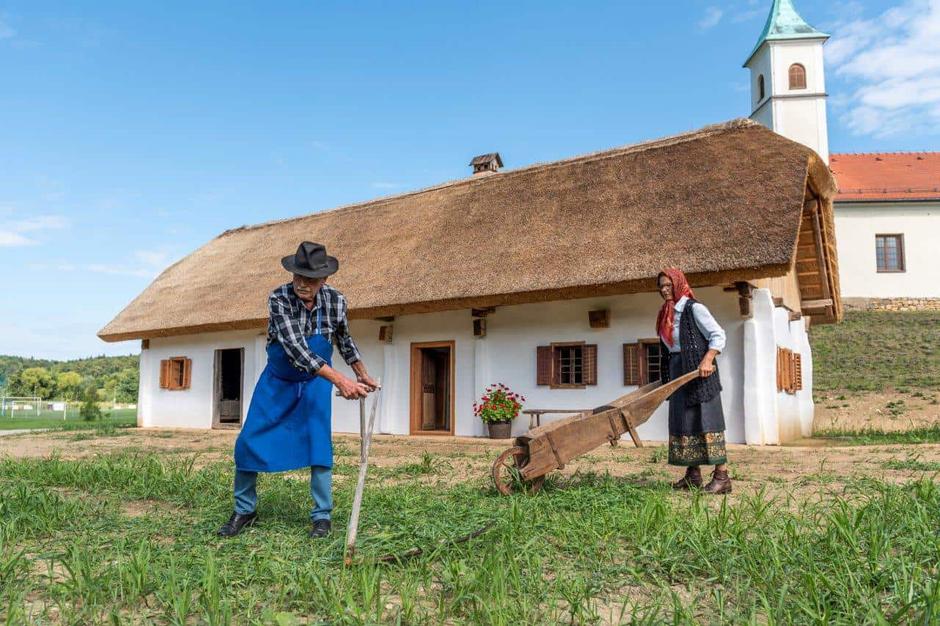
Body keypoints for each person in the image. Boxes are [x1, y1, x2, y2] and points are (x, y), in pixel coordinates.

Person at [218, 241, 379, 539]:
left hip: (316, 382)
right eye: (298, 277)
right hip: (279, 379)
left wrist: (361, 374)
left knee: (319, 444)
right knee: (248, 441)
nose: (302, 284)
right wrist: (341, 381)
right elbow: (296, 349)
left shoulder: (337, 301)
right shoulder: (279, 298)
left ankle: (321, 517)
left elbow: (344, 341)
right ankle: (245, 509)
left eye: (310, 279)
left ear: (324, 280)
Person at [656, 268, 731, 495]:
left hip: (699, 373)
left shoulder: (694, 308)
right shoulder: (665, 313)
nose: (664, 290)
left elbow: (718, 334)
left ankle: (722, 477)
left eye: (668, 285)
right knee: (684, 422)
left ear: (678, 283)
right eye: (661, 286)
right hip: (678, 371)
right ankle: (693, 476)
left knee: (706, 421)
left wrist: (708, 359)